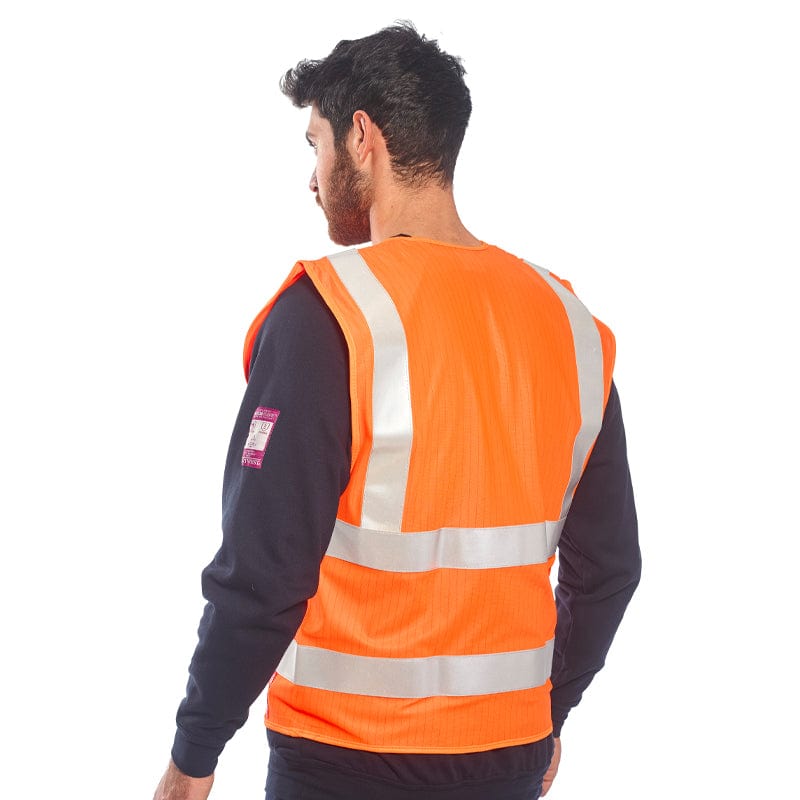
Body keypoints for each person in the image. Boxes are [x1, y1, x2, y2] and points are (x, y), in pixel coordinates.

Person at [153, 21, 640, 800]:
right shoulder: (570, 325)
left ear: (362, 137)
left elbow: (262, 574)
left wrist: (193, 756)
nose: (312, 179)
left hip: (342, 761)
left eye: (315, 145)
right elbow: (610, 567)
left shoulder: (329, 315)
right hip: (507, 762)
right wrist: (548, 712)